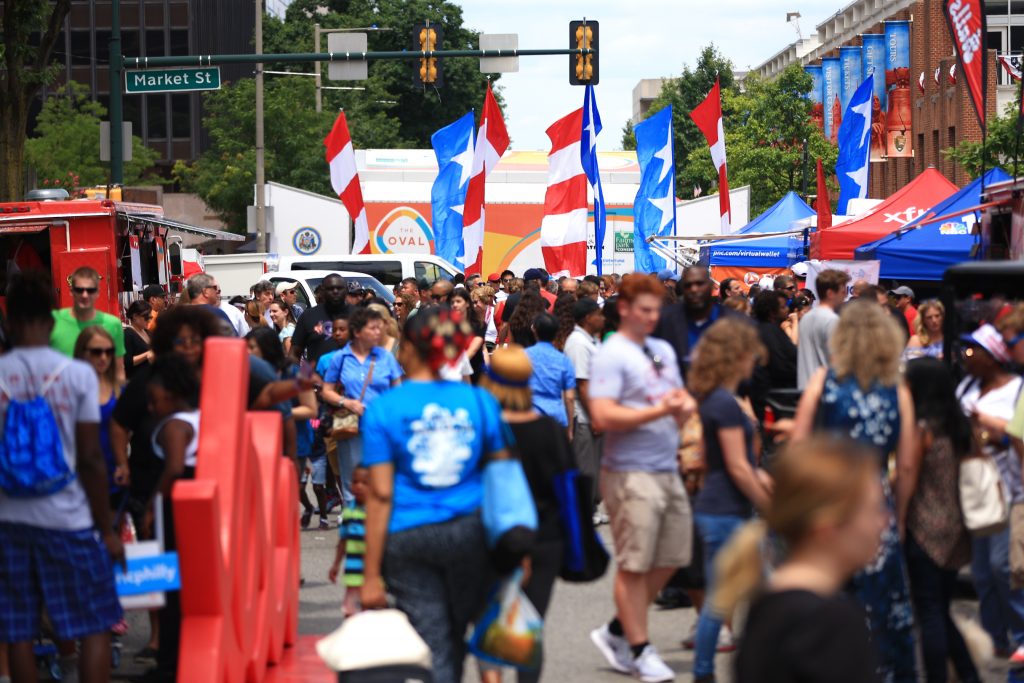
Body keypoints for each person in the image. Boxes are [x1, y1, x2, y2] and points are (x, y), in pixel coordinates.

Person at [358, 308, 512, 683]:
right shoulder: (480, 403)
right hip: (471, 533)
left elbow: (379, 495)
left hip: (408, 537)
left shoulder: (383, 409)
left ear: (408, 346)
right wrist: (515, 543)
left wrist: (370, 574)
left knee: (434, 639)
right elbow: (503, 478)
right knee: (472, 628)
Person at [0, 271, 124, 683]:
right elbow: (90, 458)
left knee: (17, 631)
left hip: (9, 520)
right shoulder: (78, 376)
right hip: (67, 519)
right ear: (52, 323)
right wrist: (106, 529)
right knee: (95, 623)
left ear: (10, 322)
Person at [793, 299, 917, 682]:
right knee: (882, 612)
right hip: (874, 512)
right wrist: (897, 514)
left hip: (828, 510)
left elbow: (797, 447)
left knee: (826, 603)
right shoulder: (898, 391)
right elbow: (909, 463)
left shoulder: (823, 382)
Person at [588, 273, 696, 683]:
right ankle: (638, 647)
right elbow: (602, 416)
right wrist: (660, 412)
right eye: (645, 310)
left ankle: (617, 630)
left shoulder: (662, 349)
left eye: (657, 310)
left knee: (673, 556)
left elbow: (675, 395)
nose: (653, 317)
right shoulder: (611, 354)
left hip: (666, 465)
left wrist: (682, 404)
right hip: (629, 472)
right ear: (626, 309)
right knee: (635, 564)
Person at [718, 436, 886, 683]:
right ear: (827, 528)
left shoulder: (767, 604)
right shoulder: (832, 623)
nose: (884, 522)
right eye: (874, 510)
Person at [479, 346, 572, 683]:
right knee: (528, 626)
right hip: (544, 541)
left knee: (491, 620)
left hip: (490, 537)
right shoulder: (550, 430)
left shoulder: (483, 429)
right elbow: (567, 490)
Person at [688, 318, 772, 682]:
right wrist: (772, 505)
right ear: (737, 355)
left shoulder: (719, 400)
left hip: (722, 508)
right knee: (735, 599)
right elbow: (738, 466)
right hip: (726, 511)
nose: (754, 359)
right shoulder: (722, 403)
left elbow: (727, 462)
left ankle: (707, 672)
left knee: (728, 599)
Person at [898, 358, 981, 682]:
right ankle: (969, 674)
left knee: (929, 612)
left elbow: (908, 474)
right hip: (957, 527)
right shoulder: (960, 427)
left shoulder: (922, 429)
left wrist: (900, 518)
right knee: (941, 610)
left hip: (924, 526)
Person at [956, 323, 1024, 662]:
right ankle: (998, 637)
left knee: (1003, 567)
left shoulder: (1015, 390)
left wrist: (984, 422)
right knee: (982, 571)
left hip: (1009, 490)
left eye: (975, 351)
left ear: (993, 357)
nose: (968, 357)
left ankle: (1020, 632)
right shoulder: (967, 384)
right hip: (973, 489)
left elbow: (1014, 434)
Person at [144, 352, 201, 680]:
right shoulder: (198, 417)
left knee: (170, 590)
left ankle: (170, 664)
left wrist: (153, 503)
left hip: (174, 510)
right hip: (192, 512)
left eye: (155, 400)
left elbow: (175, 466)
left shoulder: (176, 426)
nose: (151, 407)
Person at [321, 306, 403, 508]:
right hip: (351, 426)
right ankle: (353, 530)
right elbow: (326, 390)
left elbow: (398, 393)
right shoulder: (341, 358)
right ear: (357, 332)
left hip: (381, 428)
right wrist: (346, 402)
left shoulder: (386, 357)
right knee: (352, 484)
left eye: (379, 328)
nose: (378, 332)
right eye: (373, 328)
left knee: (381, 481)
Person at [74, 327, 129, 505]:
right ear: (82, 353)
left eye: (109, 352)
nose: (103, 357)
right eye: (96, 352)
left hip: (115, 473)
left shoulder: (121, 389)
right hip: (78, 476)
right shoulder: (70, 389)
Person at [653, 265, 735, 377]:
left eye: (700, 283)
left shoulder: (731, 320)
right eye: (688, 285)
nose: (694, 289)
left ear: (711, 286)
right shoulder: (665, 319)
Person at [564, 298, 605, 515]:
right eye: (599, 314)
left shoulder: (590, 340)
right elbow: (582, 385)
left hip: (595, 414)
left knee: (595, 466)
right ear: (589, 318)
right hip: (586, 417)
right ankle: (584, 512)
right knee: (586, 467)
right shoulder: (578, 344)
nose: (603, 318)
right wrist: (596, 417)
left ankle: (592, 508)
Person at [51, 265, 127, 382]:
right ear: (71, 291)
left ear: (97, 292)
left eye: (90, 290)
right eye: (79, 290)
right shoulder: (53, 320)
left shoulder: (113, 324)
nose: (85, 295)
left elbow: (118, 370)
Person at [795, 268, 850, 389]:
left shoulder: (806, 318)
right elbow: (836, 360)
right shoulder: (832, 320)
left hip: (805, 389)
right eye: (842, 291)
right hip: (823, 391)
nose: (845, 295)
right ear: (830, 293)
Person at [524, 312, 576, 435]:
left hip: (530, 416)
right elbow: (569, 397)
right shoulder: (564, 360)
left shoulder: (524, 356)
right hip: (557, 418)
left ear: (534, 331)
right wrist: (570, 429)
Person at [328, 465, 369, 617]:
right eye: (355, 482)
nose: (358, 486)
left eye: (364, 483)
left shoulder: (376, 511)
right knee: (350, 611)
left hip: (372, 575)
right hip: (353, 573)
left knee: (370, 612)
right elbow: (343, 541)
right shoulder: (349, 511)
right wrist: (335, 565)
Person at [750, 290, 797, 420]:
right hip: (776, 400)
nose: (787, 309)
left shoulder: (770, 330)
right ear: (772, 312)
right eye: (782, 307)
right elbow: (779, 365)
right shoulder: (769, 333)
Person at [291, 273, 352, 366]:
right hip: (317, 378)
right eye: (330, 289)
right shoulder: (308, 316)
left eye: (339, 288)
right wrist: (303, 376)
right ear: (322, 292)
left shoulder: (358, 314)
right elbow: (295, 353)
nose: (335, 291)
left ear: (346, 291)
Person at [124, 299, 155, 379]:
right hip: (136, 380)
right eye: (146, 317)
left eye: (150, 317)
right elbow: (127, 362)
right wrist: (147, 354)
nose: (149, 320)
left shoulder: (147, 332)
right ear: (135, 317)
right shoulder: (128, 334)